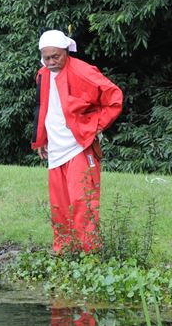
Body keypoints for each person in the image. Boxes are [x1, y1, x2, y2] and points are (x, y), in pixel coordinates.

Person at [31, 30, 123, 253]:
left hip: (80, 146)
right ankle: (64, 251)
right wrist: (41, 139)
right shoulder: (42, 74)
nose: (51, 62)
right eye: (47, 57)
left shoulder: (83, 72)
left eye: (56, 56)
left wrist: (96, 126)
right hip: (56, 148)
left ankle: (90, 255)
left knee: (83, 202)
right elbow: (43, 108)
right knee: (59, 205)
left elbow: (115, 98)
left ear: (66, 52)